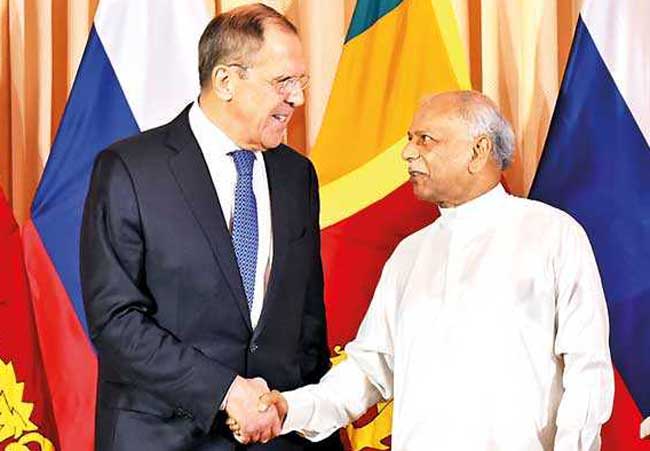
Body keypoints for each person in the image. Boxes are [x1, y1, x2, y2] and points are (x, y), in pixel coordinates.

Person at [231, 91, 615, 450]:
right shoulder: (410, 254)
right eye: (410, 139)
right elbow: (368, 370)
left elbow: (587, 370)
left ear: (478, 151)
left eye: (425, 140)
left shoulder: (553, 234)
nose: (408, 154)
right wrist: (290, 408)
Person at [81, 4, 342, 450]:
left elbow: (307, 326)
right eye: (283, 82)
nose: (298, 98)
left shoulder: (298, 176)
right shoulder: (130, 169)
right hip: (163, 436)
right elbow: (116, 321)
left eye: (301, 82)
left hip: (277, 439)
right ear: (225, 82)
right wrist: (225, 392)